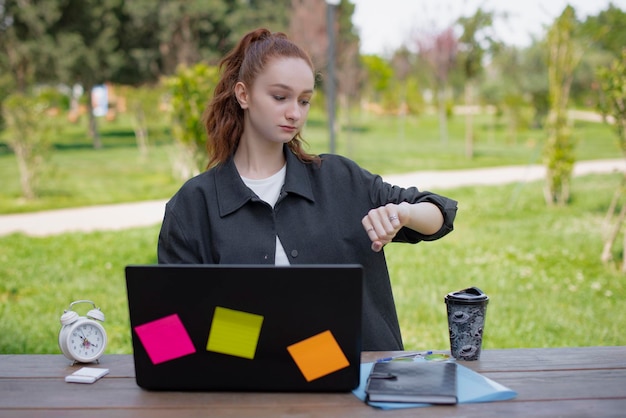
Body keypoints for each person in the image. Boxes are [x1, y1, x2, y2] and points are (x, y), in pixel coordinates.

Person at [157, 28, 458, 351]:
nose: (295, 113)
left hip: (359, 381)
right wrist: (261, 340)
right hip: (244, 382)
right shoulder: (193, 205)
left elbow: (440, 213)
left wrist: (403, 213)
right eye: (280, 97)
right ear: (243, 95)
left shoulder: (339, 179)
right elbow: (166, 335)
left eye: (304, 100)